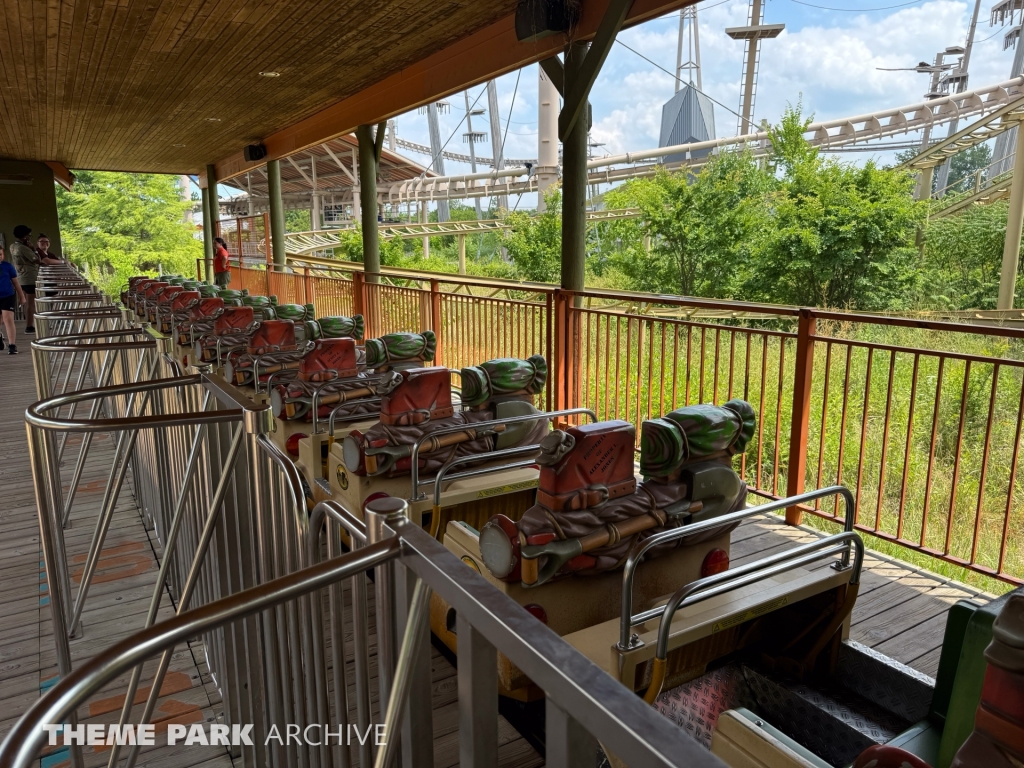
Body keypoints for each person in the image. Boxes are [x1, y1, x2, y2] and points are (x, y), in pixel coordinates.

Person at [9, 225, 39, 333]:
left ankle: (29, 323)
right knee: (31, 303)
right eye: (29, 235)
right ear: (24, 236)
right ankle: (29, 326)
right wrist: (33, 249)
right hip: (30, 277)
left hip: (21, 277)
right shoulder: (24, 248)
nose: (30, 237)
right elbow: (36, 260)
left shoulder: (13, 246)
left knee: (26, 302)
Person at [0, 243, 28, 354]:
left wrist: (22, 296)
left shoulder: (8, 266)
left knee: (8, 319)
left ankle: (12, 345)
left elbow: (16, 283)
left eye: (0, 254)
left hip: (8, 295)